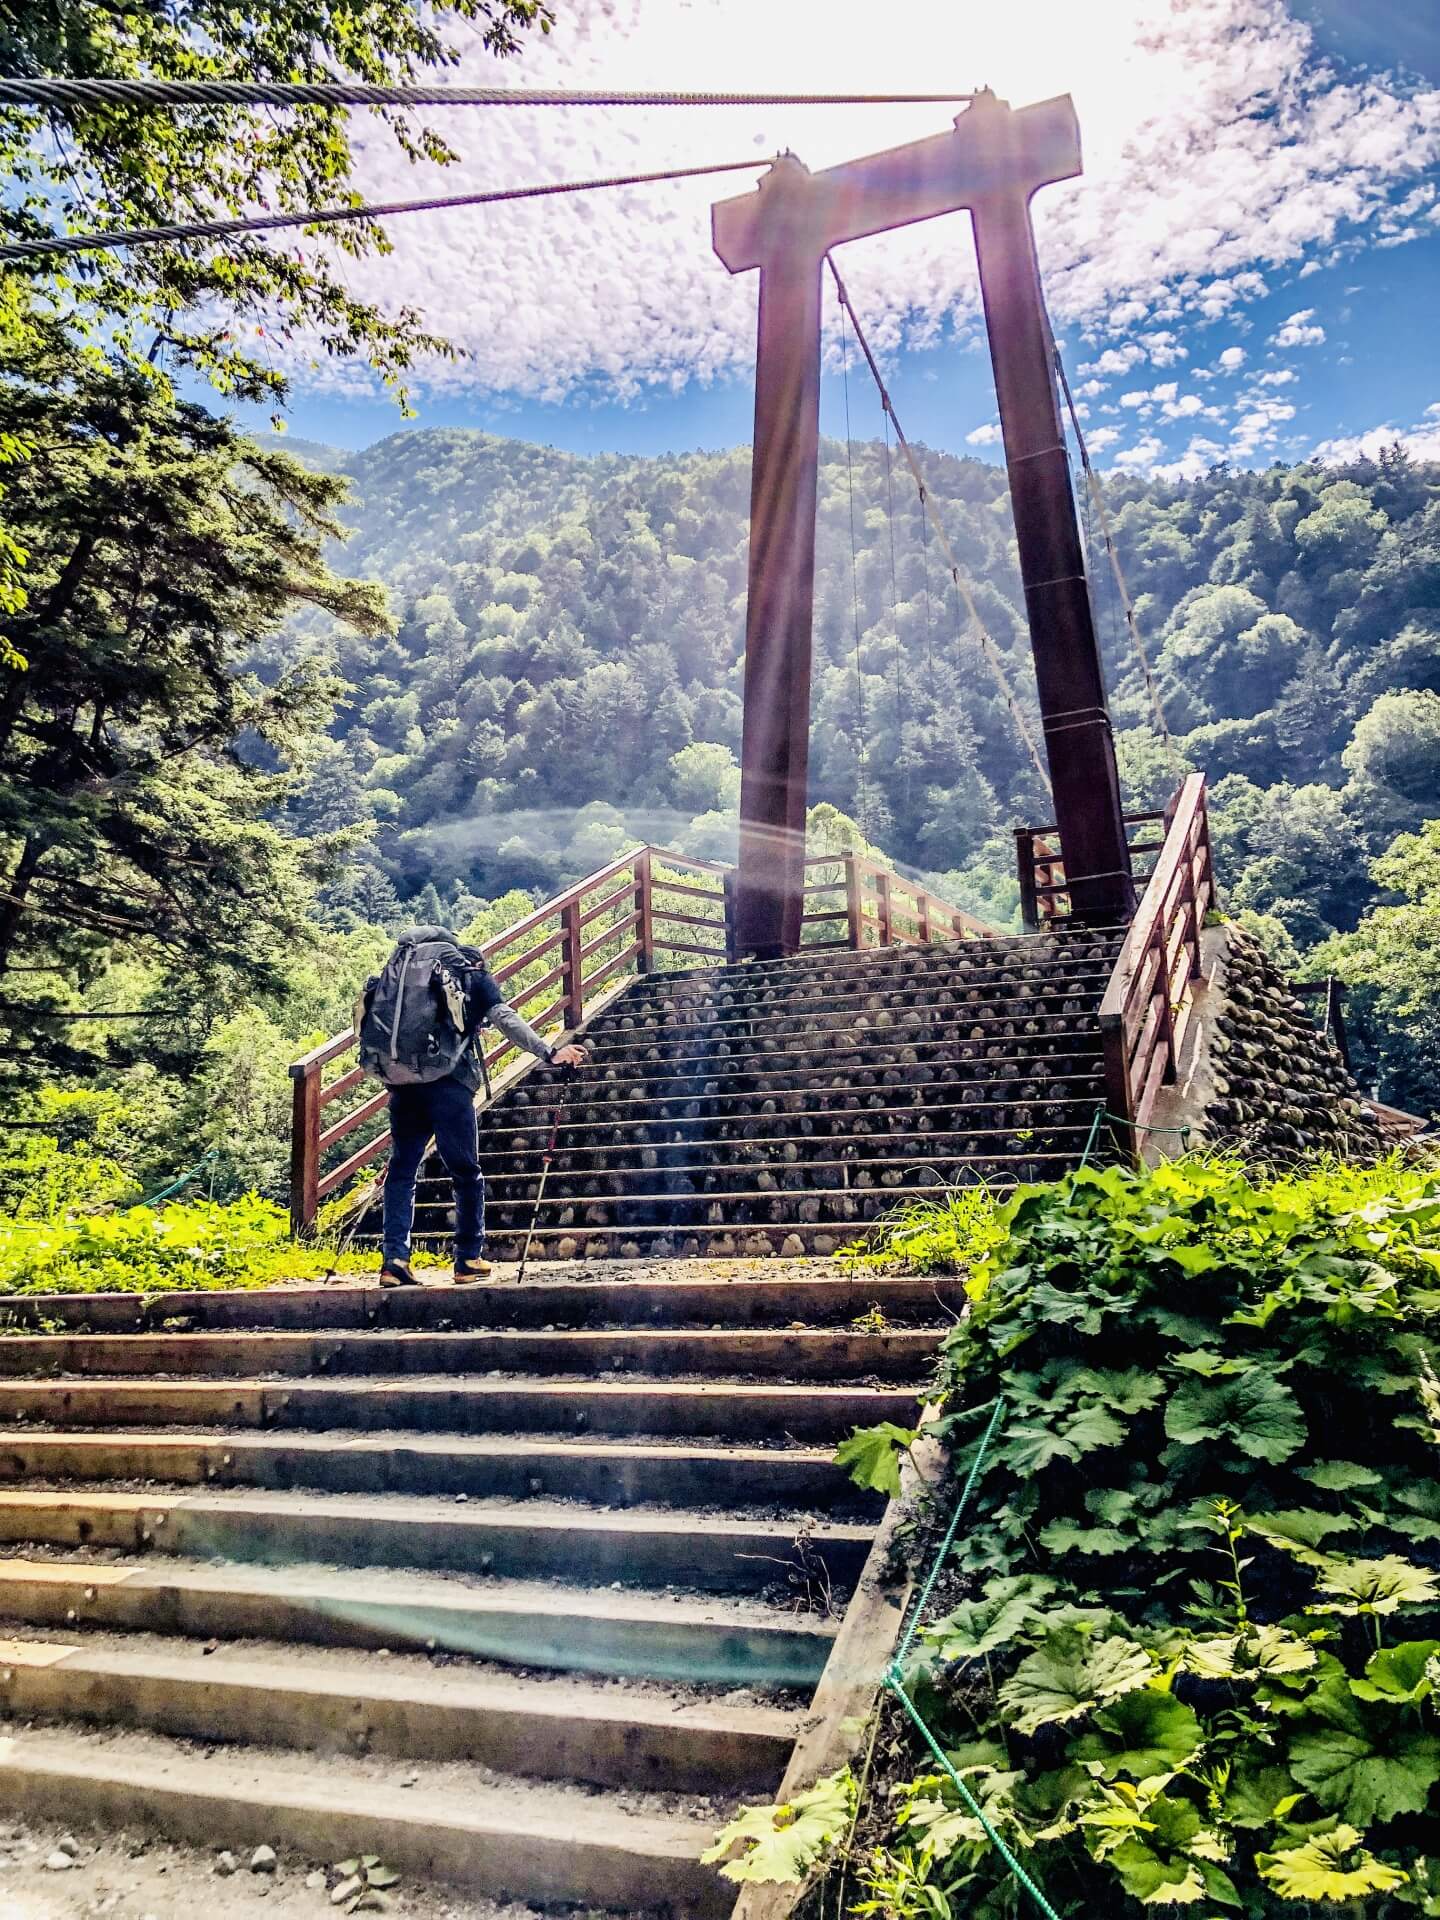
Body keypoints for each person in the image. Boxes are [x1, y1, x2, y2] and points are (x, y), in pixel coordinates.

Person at [364, 928, 587, 1287]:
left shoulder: (405, 979)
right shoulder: (473, 976)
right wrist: (550, 1052)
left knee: (402, 1170)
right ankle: (467, 1259)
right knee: (465, 1172)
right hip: (449, 1087)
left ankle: (394, 1261)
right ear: (474, 960)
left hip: (403, 1085)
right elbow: (506, 1020)